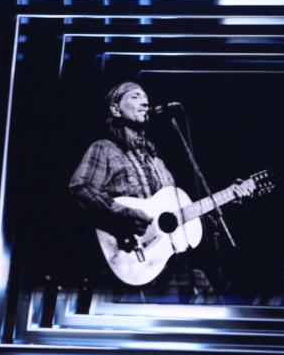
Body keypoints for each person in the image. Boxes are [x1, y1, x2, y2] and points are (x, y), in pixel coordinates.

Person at [69, 81, 244, 302]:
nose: (145, 101)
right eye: (135, 96)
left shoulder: (158, 163)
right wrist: (123, 214)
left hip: (163, 270)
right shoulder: (104, 149)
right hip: (122, 262)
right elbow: (80, 188)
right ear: (115, 109)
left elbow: (174, 217)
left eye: (145, 96)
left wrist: (226, 196)